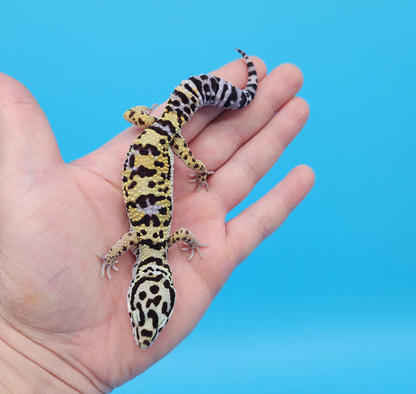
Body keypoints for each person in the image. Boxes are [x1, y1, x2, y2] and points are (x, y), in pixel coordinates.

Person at [0, 55, 314, 392]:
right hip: (161, 137)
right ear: (164, 289)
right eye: (148, 322)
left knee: (132, 117)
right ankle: (240, 91)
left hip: (157, 134)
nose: (142, 331)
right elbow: (130, 244)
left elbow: (180, 234)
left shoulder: (162, 241)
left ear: (141, 289)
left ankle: (242, 92)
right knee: (140, 122)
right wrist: (111, 256)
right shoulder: (139, 241)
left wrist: (187, 236)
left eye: (141, 320)